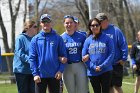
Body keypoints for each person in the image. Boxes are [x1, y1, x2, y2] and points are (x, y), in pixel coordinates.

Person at [29, 14, 67, 93]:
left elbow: (63, 57)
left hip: (55, 75)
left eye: (48, 21)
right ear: (41, 23)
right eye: (44, 21)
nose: (46, 23)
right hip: (40, 75)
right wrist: (35, 74)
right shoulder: (35, 39)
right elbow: (32, 58)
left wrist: (60, 71)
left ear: (51, 23)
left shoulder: (58, 38)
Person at [96, 13, 128, 93]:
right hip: (104, 65)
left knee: (117, 86)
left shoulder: (115, 30)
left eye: (102, 21)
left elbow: (123, 44)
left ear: (107, 21)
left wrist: (123, 58)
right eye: (98, 22)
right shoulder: (97, 32)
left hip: (115, 63)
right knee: (108, 87)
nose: (100, 24)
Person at [82, 18, 114, 93]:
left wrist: (102, 66)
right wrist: (93, 67)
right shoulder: (87, 40)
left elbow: (111, 54)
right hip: (93, 72)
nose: (95, 27)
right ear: (90, 27)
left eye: (97, 25)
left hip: (106, 70)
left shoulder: (107, 38)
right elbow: (84, 56)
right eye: (92, 25)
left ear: (100, 26)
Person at [61, 15, 89, 93]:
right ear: (64, 24)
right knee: (71, 91)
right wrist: (60, 58)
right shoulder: (60, 38)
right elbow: (58, 54)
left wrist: (87, 55)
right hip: (67, 67)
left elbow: (89, 50)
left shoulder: (82, 36)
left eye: (71, 22)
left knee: (82, 90)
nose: (69, 25)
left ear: (74, 24)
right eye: (67, 23)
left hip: (80, 65)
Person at [13, 20, 38, 93]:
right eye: (35, 27)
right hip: (21, 71)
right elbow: (19, 53)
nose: (36, 28)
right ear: (28, 28)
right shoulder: (20, 38)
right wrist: (31, 60)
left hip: (32, 71)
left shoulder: (35, 39)